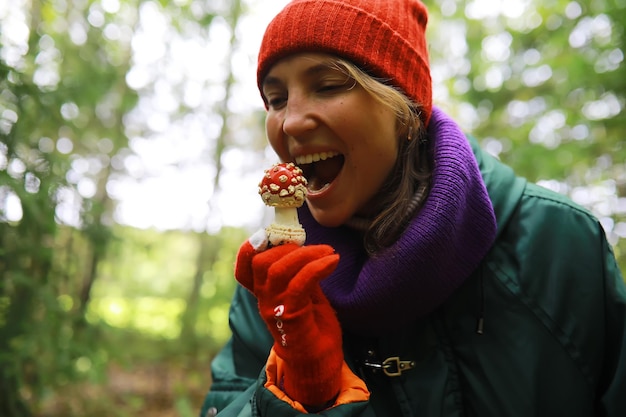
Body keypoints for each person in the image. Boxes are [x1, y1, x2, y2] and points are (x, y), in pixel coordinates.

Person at [200, 0, 626, 416]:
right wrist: (301, 392)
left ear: (405, 110)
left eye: (328, 86)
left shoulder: (561, 244)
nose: (289, 121)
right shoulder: (276, 282)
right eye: (275, 99)